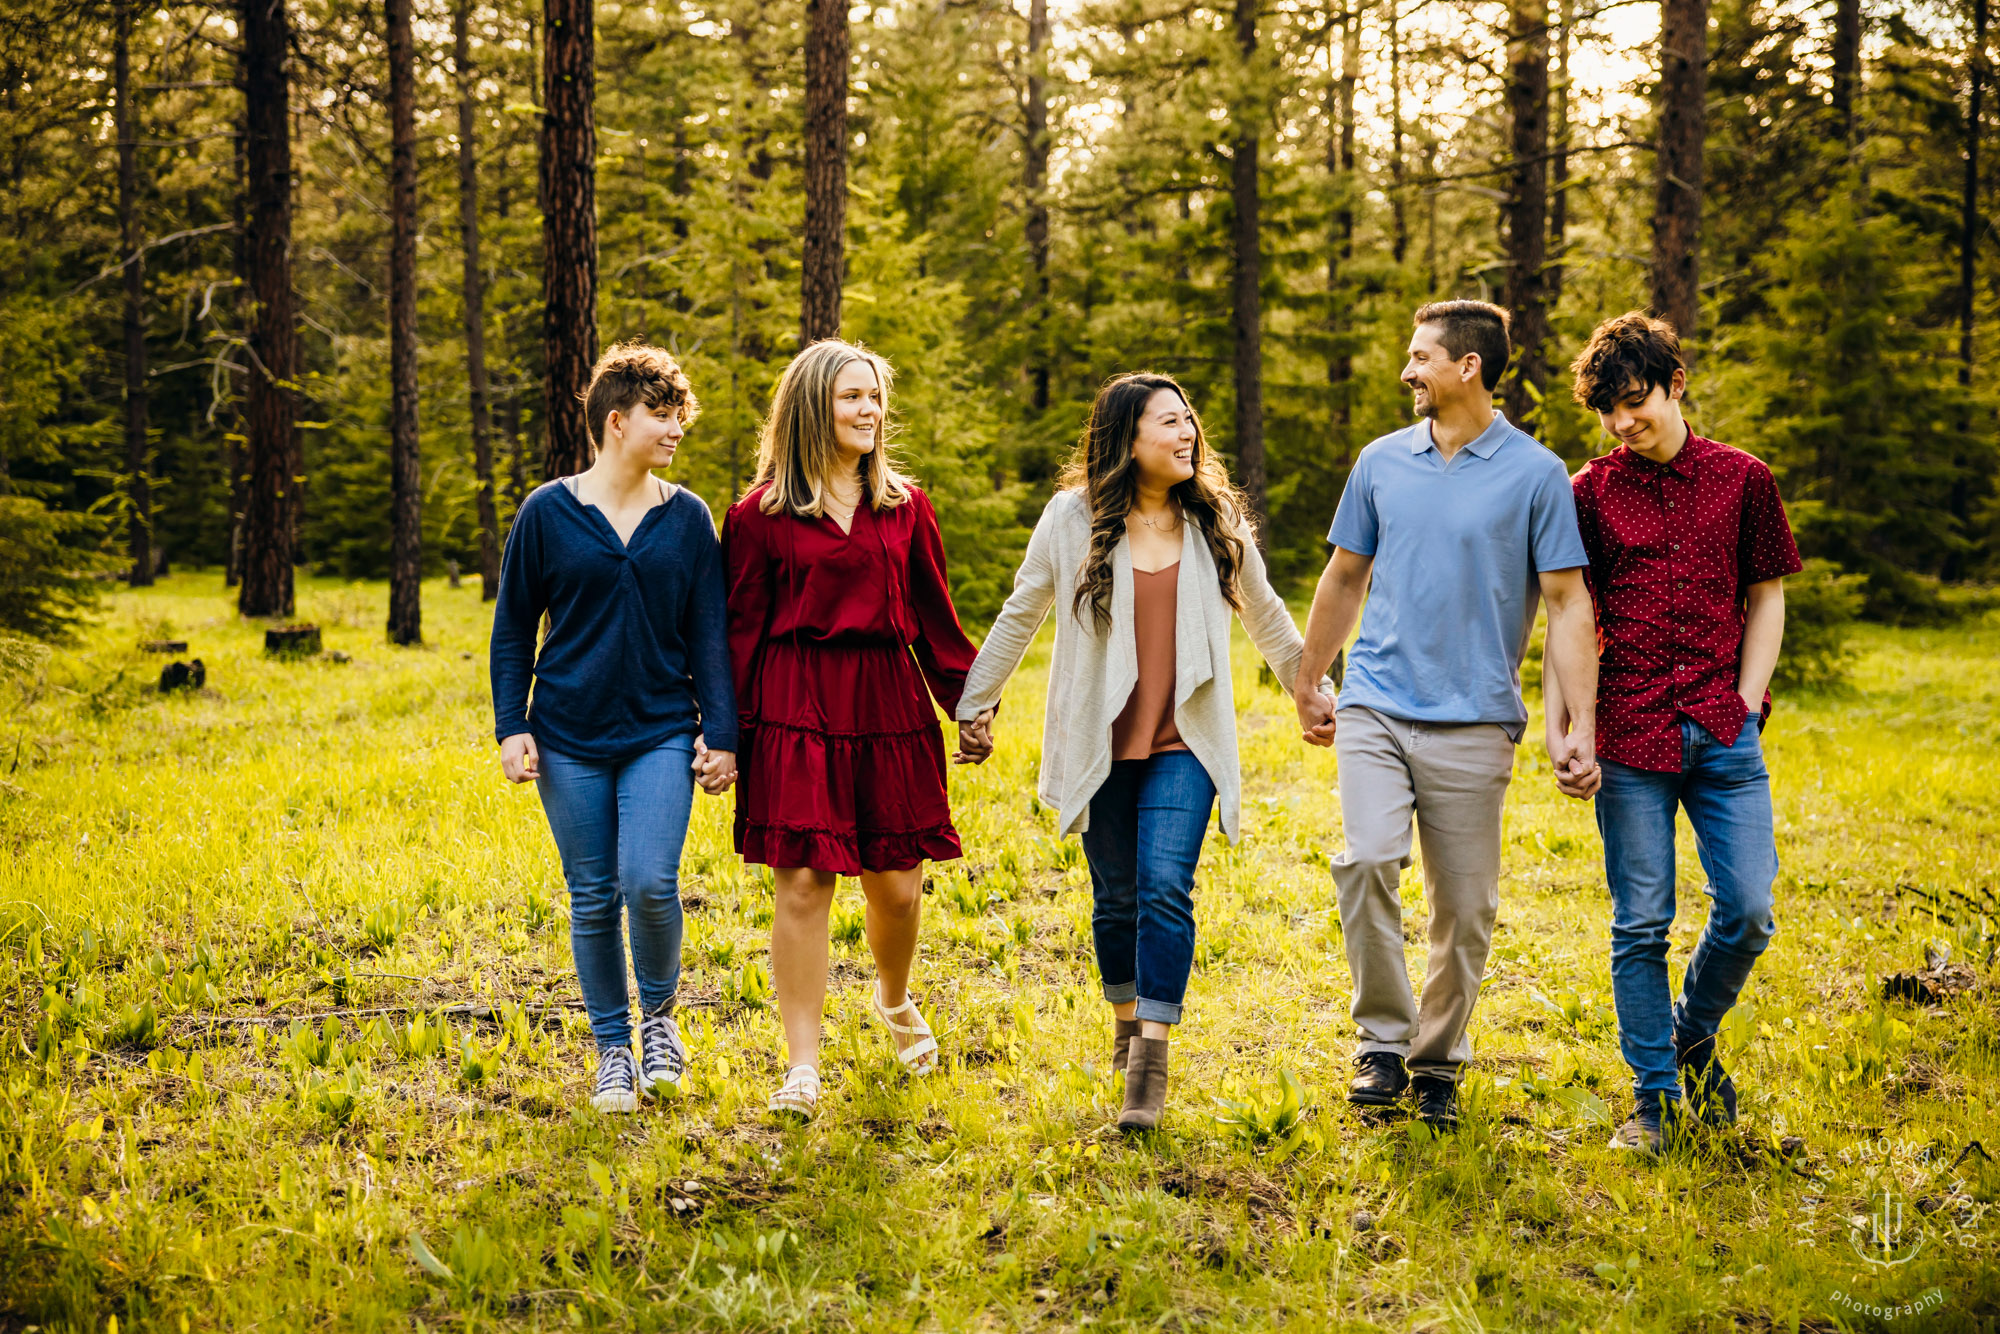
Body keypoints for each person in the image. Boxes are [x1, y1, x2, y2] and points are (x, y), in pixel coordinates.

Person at [955, 373, 1324, 1131]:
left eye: (1190, 421)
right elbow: (1023, 608)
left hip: (1183, 740)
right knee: (1115, 899)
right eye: (1169, 423)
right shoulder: (1072, 517)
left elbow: (1268, 616)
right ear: (1127, 437)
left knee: (1163, 885)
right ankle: (1125, 1021)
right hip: (1102, 740)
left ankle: (1150, 1065)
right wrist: (976, 699)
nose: (1186, 433)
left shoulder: (1213, 519)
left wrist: (1309, 689)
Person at [1294, 300, 1599, 1130]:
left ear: (1468, 367)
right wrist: (1307, 678)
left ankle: (1437, 1063)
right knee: (1365, 862)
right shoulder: (1381, 462)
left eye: (1421, 356)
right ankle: (1384, 1045)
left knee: (1464, 910)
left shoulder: (1537, 474)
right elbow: (1344, 576)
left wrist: (1579, 723)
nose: (1408, 370)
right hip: (1377, 708)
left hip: (1474, 720)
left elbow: (1569, 602)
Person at [1553, 312, 1801, 1152]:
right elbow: (1569, 612)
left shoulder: (1743, 479)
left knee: (1750, 909)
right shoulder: (1588, 493)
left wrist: (1746, 699)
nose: (1623, 423)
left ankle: (1691, 1031)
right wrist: (1569, 725)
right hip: (1629, 735)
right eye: (1607, 410)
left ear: (1675, 385)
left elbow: (1766, 594)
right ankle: (1655, 1100)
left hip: (1723, 732)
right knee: (1641, 923)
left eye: (1634, 402)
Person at [723, 339, 989, 1119]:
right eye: (851, 397)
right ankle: (801, 1064)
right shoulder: (758, 516)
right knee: (804, 881)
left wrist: (966, 702)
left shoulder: (906, 508)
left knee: (898, 886)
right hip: (795, 703)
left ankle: (894, 999)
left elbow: (937, 618)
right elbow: (737, 629)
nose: (869, 411)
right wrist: (728, 734)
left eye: (875, 397)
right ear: (812, 407)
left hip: (887, 704)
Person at [490, 343, 738, 1114]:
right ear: (616, 420)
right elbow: (511, 630)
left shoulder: (688, 517)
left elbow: (709, 634)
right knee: (593, 894)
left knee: (649, 883)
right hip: (566, 734)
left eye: (679, 417)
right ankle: (611, 1050)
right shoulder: (546, 513)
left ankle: (659, 1020)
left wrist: (723, 733)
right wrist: (511, 726)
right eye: (661, 417)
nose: (674, 431)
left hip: (662, 728)